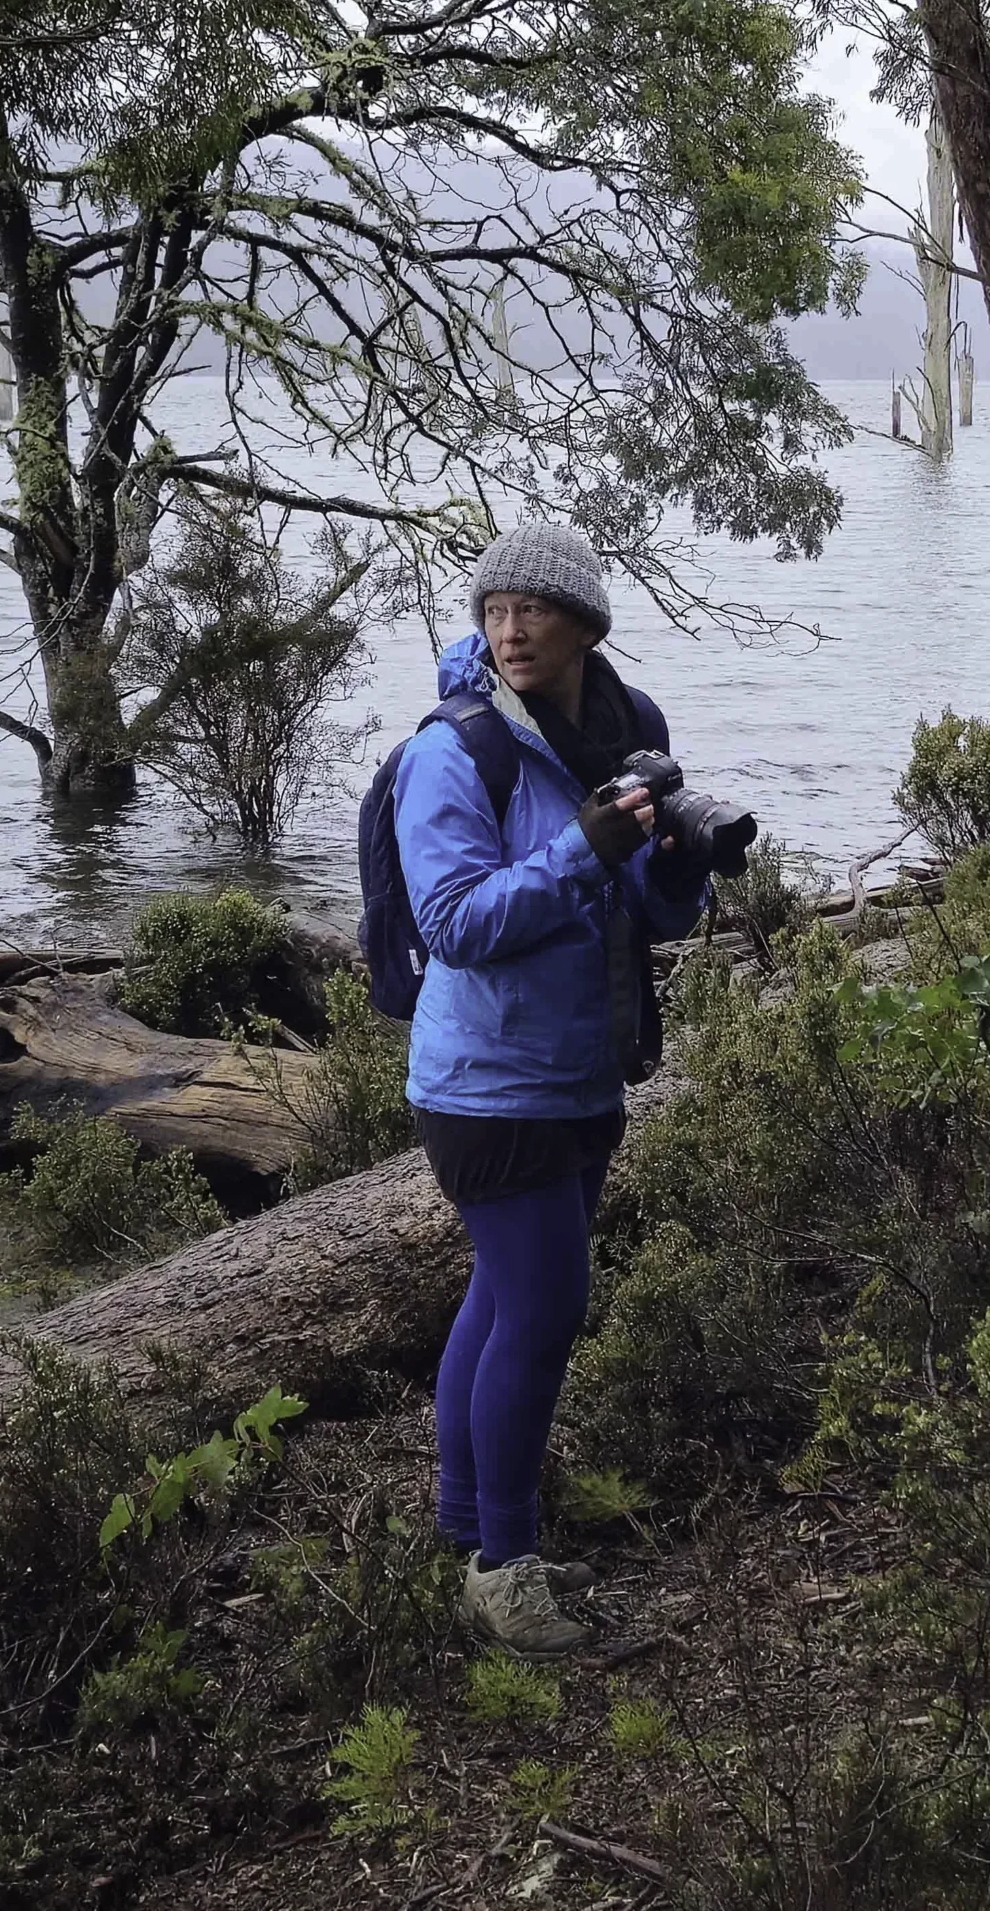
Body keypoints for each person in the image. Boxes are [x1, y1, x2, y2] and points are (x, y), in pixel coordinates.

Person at [392, 518, 710, 1655]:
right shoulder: (456, 750)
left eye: (533, 607)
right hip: (483, 1084)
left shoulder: (628, 733)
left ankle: (466, 1523)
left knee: (502, 1296)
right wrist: (583, 847)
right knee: (543, 1307)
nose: (510, 627)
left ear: (585, 622)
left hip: (583, 1067)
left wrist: (680, 875)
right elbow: (456, 924)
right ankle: (505, 1569)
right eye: (493, 608)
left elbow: (653, 917)